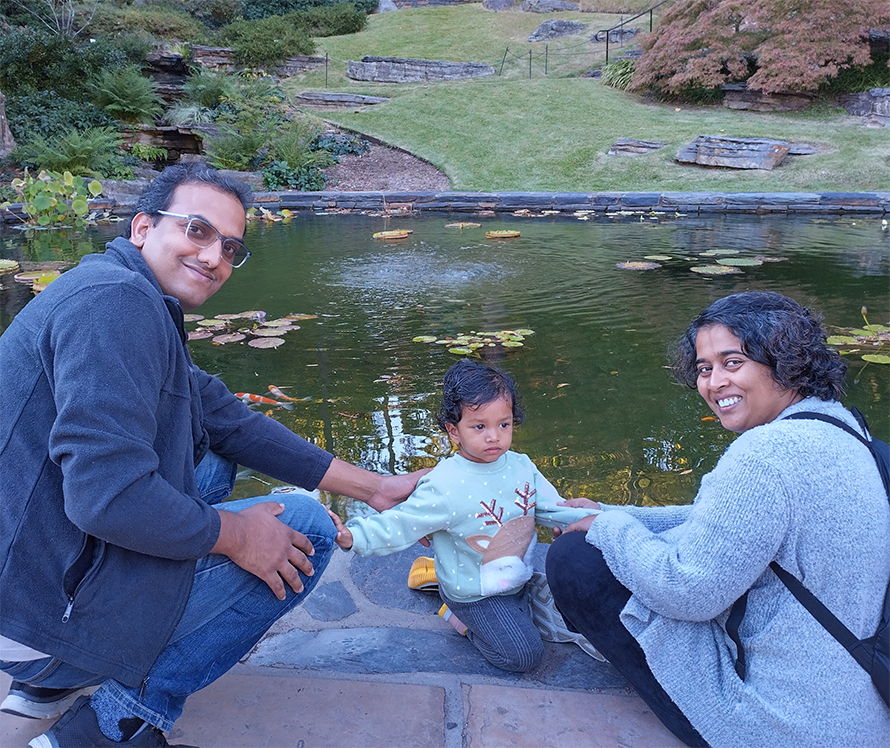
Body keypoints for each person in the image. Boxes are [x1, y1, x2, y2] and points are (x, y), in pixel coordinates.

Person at [0, 163, 428, 748]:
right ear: (144, 227)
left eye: (230, 247)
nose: (213, 257)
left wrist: (375, 487)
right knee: (301, 526)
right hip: (36, 615)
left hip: (33, 567)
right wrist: (236, 535)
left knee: (209, 458)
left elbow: (224, 418)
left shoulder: (125, 292)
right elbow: (107, 497)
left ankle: (95, 678)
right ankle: (113, 719)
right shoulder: (114, 305)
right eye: (197, 230)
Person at [545, 291, 890, 747]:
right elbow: (724, 523)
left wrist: (609, 530)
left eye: (732, 362)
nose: (713, 383)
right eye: (705, 368)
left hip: (785, 726)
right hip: (860, 707)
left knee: (576, 559)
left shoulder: (764, 456)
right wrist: (615, 513)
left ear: (785, 362)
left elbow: (689, 593)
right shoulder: (848, 430)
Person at [326, 358, 600, 672]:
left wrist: (601, 520)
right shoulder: (445, 484)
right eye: (479, 426)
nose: (494, 436)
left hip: (514, 577)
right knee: (524, 657)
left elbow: (553, 509)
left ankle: (439, 571)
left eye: (504, 424)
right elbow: (399, 523)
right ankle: (457, 617)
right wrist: (352, 536)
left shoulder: (522, 466)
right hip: (472, 594)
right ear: (454, 431)